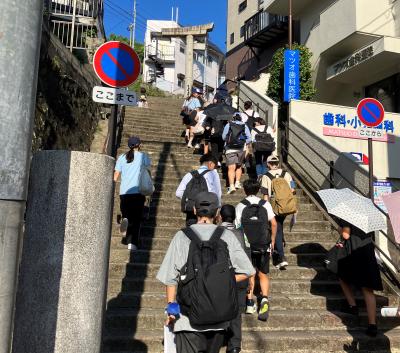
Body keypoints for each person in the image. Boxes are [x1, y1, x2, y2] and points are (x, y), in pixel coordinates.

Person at [156, 192, 255, 353]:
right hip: (218, 320)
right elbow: (247, 271)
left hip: (187, 322)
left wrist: (171, 309)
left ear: (194, 210)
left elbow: (170, 279)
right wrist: (223, 280)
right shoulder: (227, 236)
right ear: (217, 213)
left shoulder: (181, 237)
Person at [235, 179, 277, 322]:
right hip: (263, 244)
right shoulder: (265, 204)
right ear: (258, 190)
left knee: (250, 272)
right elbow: (274, 223)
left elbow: (237, 226)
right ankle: (264, 299)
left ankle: (250, 303)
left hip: (247, 245)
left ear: (245, 190)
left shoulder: (241, 205)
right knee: (263, 273)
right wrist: (272, 240)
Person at [337, 221, 383, 337]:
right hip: (367, 250)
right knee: (367, 289)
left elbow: (346, 235)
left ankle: (352, 305)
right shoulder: (368, 218)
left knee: (341, 276)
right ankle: (372, 324)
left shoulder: (348, 217)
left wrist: (339, 228)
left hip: (354, 251)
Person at [220, 204, 251, 353]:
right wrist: (250, 278)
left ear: (219, 216)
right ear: (234, 217)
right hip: (241, 276)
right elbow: (248, 255)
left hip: (220, 277)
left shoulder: (215, 233)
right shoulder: (241, 233)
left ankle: (218, 339)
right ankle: (234, 345)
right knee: (237, 312)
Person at [113, 136, 151, 251]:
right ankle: (132, 243)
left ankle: (125, 218)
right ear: (139, 145)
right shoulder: (143, 156)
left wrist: (113, 186)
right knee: (136, 218)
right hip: (138, 192)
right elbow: (147, 171)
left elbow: (116, 175)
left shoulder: (121, 157)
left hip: (124, 192)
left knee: (128, 214)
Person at [260, 155, 295, 269]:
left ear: (268, 164)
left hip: (274, 207)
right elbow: (293, 190)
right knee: (279, 227)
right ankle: (279, 251)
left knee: (277, 230)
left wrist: (265, 209)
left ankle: (282, 257)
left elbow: (265, 195)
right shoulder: (287, 174)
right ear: (278, 163)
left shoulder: (266, 176)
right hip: (287, 206)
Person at [176, 154, 221, 226]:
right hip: (208, 213)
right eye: (214, 166)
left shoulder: (189, 175)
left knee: (192, 235)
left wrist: (191, 201)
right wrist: (218, 210)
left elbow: (178, 193)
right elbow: (217, 194)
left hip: (191, 212)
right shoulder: (213, 174)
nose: (214, 168)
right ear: (210, 163)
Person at [222, 112, 252, 194]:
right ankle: (237, 182)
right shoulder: (244, 125)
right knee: (239, 166)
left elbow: (224, 137)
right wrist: (242, 141)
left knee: (231, 168)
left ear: (233, 118)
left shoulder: (228, 125)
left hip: (230, 149)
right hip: (241, 148)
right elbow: (249, 139)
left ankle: (231, 186)